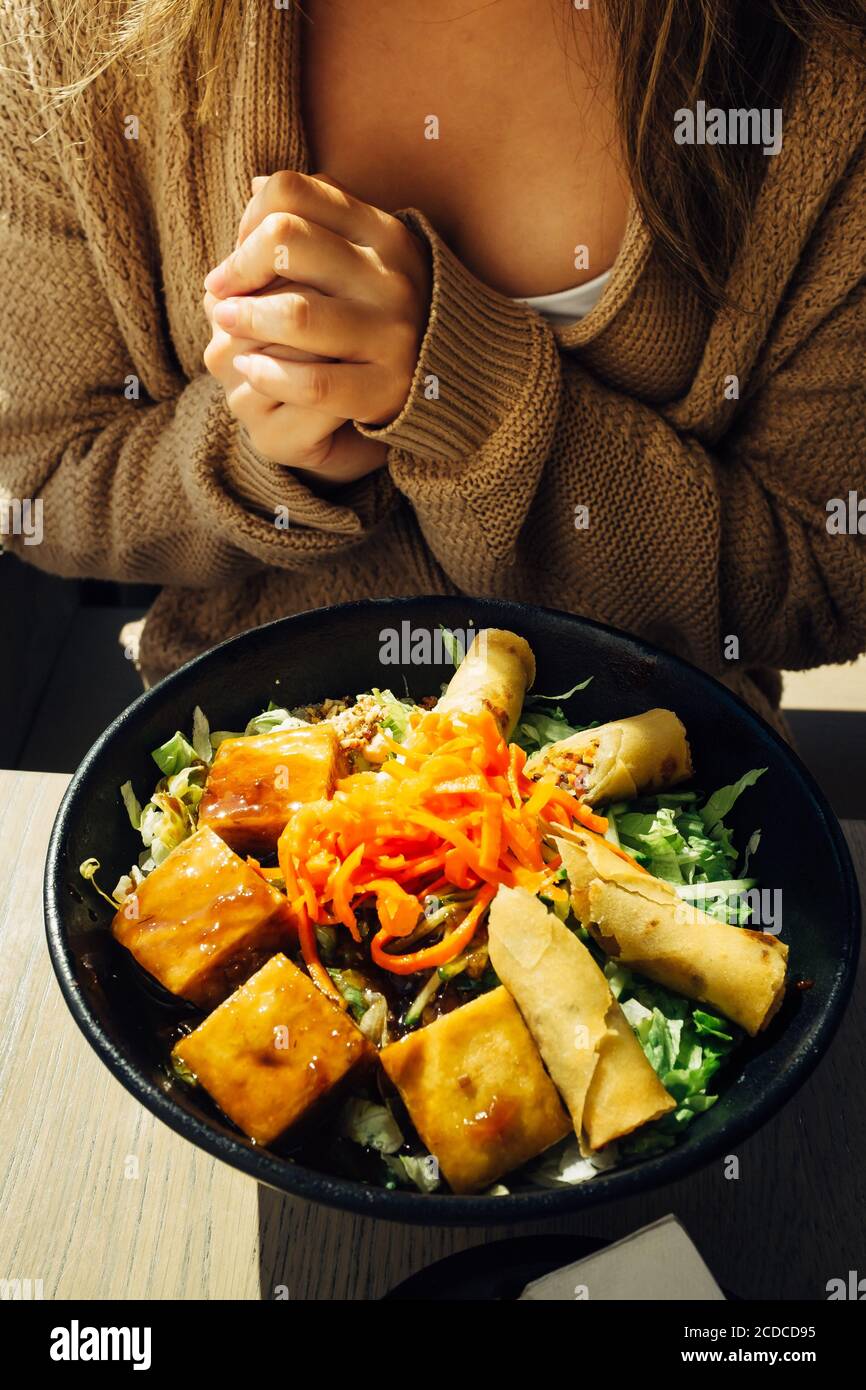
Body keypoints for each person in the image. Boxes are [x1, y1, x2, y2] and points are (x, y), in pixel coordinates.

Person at [1, 0, 864, 731]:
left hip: (672, 814)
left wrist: (463, 395)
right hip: (242, 806)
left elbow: (831, 576)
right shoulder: (70, 33)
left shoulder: (819, 60)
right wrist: (262, 458)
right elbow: (31, 476)